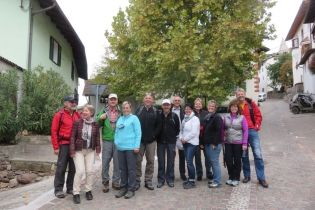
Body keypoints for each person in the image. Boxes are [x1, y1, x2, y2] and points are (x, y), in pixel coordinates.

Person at [236, 88, 269, 188]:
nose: (240, 95)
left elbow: (258, 115)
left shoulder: (251, 104)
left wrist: (257, 126)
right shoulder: (235, 105)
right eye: (239, 94)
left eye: (242, 94)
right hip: (241, 132)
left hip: (252, 130)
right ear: (236, 95)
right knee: (244, 155)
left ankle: (261, 178)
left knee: (258, 154)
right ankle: (247, 175)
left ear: (244, 94)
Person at [51, 95, 81, 198]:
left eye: (74, 102)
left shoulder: (78, 115)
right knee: (61, 167)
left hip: (75, 146)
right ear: (65, 103)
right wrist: (55, 147)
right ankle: (58, 189)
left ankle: (70, 188)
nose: (73, 103)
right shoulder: (59, 115)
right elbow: (54, 132)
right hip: (63, 145)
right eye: (71, 101)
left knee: (73, 168)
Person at [69, 105, 101, 204]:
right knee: (79, 171)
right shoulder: (77, 122)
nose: (84, 112)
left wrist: (98, 149)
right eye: (84, 111)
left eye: (86, 111)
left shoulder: (95, 123)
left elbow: (97, 137)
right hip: (79, 150)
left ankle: (88, 191)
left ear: (91, 113)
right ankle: (76, 193)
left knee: (89, 171)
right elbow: (72, 137)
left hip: (90, 151)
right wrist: (72, 150)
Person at [114, 102, 141, 199]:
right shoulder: (120, 119)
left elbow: (138, 133)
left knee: (131, 168)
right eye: (124, 108)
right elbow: (116, 132)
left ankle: (131, 189)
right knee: (123, 169)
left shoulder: (134, 119)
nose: (125, 109)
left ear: (130, 108)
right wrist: (116, 142)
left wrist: (136, 146)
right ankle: (123, 187)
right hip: (121, 148)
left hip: (130, 148)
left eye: (127, 108)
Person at [135, 93, 161, 190]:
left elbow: (159, 125)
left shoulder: (155, 111)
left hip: (151, 141)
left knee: (150, 160)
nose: (148, 100)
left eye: (150, 98)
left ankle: (148, 181)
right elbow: (134, 123)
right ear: (143, 99)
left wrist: (154, 135)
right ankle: (137, 181)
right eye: (146, 98)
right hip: (140, 141)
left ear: (152, 100)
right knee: (137, 161)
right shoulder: (138, 110)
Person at [96, 93, 121, 193]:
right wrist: (99, 118)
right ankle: (105, 182)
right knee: (105, 162)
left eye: (114, 99)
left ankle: (115, 181)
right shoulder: (103, 111)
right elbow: (96, 125)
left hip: (118, 141)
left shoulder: (121, 111)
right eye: (111, 99)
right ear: (108, 101)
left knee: (117, 162)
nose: (113, 101)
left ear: (117, 101)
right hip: (107, 140)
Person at [222, 99, 248, 187]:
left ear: (238, 108)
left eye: (235, 106)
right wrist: (222, 139)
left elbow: (245, 131)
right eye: (232, 106)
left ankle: (236, 178)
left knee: (237, 161)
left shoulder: (242, 118)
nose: (234, 108)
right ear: (230, 108)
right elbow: (222, 129)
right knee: (228, 160)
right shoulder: (226, 117)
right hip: (228, 142)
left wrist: (244, 143)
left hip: (238, 142)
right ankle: (230, 176)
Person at [156, 99, 180, 188]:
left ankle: (170, 179)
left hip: (171, 142)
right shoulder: (158, 115)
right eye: (164, 105)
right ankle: (161, 179)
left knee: (171, 161)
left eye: (167, 105)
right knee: (161, 161)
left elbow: (177, 128)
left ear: (170, 106)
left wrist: (173, 138)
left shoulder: (174, 116)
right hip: (161, 142)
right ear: (162, 106)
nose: (166, 107)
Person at [202, 100, 223, 188]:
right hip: (207, 143)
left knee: (215, 162)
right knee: (211, 161)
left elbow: (219, 131)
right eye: (209, 106)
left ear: (215, 108)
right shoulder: (208, 117)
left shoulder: (217, 117)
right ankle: (215, 178)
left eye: (212, 106)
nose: (210, 107)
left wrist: (215, 143)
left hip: (213, 143)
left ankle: (217, 181)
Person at [179, 103, 200, 189]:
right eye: (186, 109)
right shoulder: (184, 119)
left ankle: (192, 181)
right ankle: (190, 178)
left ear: (192, 110)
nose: (187, 111)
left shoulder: (195, 119)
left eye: (189, 109)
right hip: (185, 143)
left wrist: (185, 139)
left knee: (189, 162)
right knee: (188, 161)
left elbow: (193, 132)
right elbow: (181, 130)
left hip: (192, 143)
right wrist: (181, 138)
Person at [193, 98, 213, 182]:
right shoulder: (192, 114)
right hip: (195, 139)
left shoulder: (206, 113)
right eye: (196, 104)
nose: (198, 105)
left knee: (208, 157)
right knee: (197, 157)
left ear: (201, 105)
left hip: (205, 138)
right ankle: (199, 174)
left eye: (199, 104)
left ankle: (209, 173)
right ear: (194, 105)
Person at [171, 96, 186, 181]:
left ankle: (182, 173)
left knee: (182, 156)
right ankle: (171, 173)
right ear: (173, 101)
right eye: (175, 100)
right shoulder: (170, 110)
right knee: (171, 155)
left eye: (178, 100)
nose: (177, 101)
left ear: (180, 102)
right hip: (172, 135)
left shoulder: (184, 110)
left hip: (181, 135)